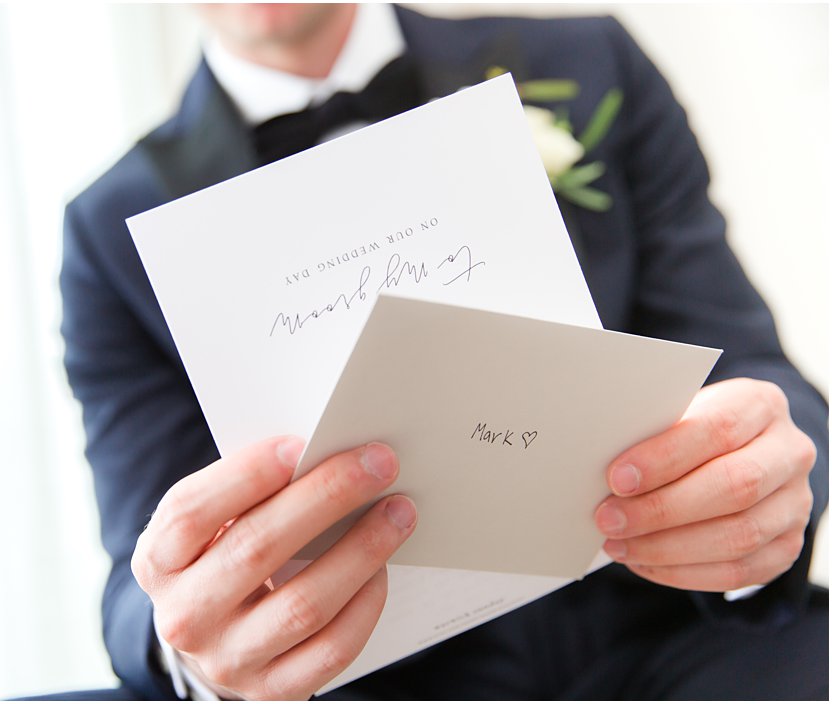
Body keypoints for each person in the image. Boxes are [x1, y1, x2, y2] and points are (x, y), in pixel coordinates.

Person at [60, 4, 827, 700]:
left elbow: (755, 372)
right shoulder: (107, 229)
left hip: (675, 638)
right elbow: (138, 576)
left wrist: (762, 470)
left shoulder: (589, 60)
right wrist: (195, 650)